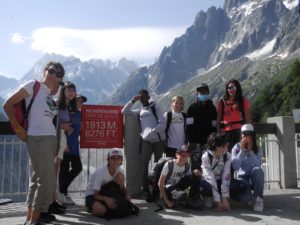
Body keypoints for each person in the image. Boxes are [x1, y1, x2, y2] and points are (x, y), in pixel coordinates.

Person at [3, 61, 64, 225]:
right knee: (47, 180)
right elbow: (7, 104)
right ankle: (35, 220)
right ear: (44, 71)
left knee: (38, 179)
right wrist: (18, 128)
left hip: (49, 139)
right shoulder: (33, 85)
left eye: (59, 74)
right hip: (38, 137)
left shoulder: (49, 95)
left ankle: (30, 217)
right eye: (52, 71)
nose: (54, 76)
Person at [121, 89, 166, 201]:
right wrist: (132, 101)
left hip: (158, 141)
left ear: (148, 96)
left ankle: (156, 190)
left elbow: (162, 123)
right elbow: (124, 111)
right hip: (146, 141)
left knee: (159, 165)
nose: (143, 98)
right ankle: (145, 189)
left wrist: (151, 132)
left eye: (145, 96)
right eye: (141, 97)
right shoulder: (139, 111)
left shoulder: (155, 107)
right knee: (143, 164)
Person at [57, 82, 82, 206]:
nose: (71, 92)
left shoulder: (71, 108)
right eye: (69, 90)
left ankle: (61, 191)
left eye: (73, 89)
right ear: (63, 91)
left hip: (72, 143)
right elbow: (52, 122)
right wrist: (63, 126)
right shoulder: (59, 106)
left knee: (77, 167)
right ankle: (62, 194)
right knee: (64, 170)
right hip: (63, 142)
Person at [85, 149, 131, 217]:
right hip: (92, 195)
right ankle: (89, 208)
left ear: (121, 161)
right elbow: (96, 195)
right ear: (108, 160)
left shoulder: (120, 171)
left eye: (118, 158)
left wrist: (127, 194)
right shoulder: (100, 173)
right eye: (113, 158)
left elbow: (122, 187)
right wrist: (106, 199)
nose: (116, 160)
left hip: (106, 192)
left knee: (121, 175)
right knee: (103, 211)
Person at [231, 124, 264, 212]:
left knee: (258, 171)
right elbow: (235, 166)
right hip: (243, 178)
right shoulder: (236, 148)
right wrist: (241, 151)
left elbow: (258, 166)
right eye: (244, 134)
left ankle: (258, 199)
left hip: (254, 176)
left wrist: (251, 152)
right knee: (245, 199)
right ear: (241, 135)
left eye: (249, 134)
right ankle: (249, 197)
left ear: (253, 135)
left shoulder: (258, 148)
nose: (246, 137)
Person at [217, 79, 251, 152]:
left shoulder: (243, 101)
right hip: (226, 133)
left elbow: (248, 119)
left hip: (240, 131)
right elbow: (218, 118)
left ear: (237, 88)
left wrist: (248, 134)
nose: (231, 90)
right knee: (228, 154)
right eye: (229, 88)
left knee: (240, 152)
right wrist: (218, 131)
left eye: (233, 88)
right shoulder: (221, 102)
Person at [200, 133, 231, 212]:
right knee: (205, 189)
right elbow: (210, 178)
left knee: (233, 185)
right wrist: (218, 201)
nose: (227, 144)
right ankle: (210, 197)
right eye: (224, 144)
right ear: (217, 146)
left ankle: (222, 198)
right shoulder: (206, 157)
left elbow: (226, 175)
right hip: (209, 182)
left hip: (220, 180)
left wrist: (224, 197)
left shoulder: (227, 156)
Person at [158, 144, 192, 208]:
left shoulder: (187, 165)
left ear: (188, 156)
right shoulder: (169, 164)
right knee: (182, 195)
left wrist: (196, 172)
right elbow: (160, 183)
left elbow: (190, 179)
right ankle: (166, 198)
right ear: (176, 155)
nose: (183, 157)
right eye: (181, 154)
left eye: (186, 155)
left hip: (176, 185)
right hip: (167, 186)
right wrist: (167, 202)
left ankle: (191, 198)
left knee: (194, 177)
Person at [186, 83, 217, 152]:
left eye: (204, 91)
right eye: (200, 92)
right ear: (198, 94)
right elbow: (189, 126)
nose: (202, 93)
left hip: (209, 142)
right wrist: (191, 141)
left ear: (208, 93)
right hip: (195, 142)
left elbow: (214, 125)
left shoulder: (212, 108)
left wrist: (213, 139)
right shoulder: (192, 108)